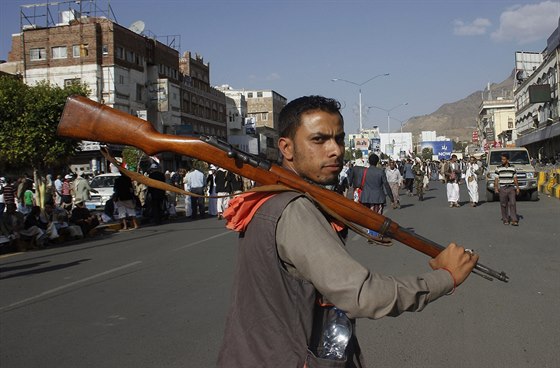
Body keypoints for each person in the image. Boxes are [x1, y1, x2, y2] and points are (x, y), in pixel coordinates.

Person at [217, 95, 478, 367]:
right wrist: (445, 278)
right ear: (286, 147)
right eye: (319, 140)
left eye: (339, 139)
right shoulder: (294, 208)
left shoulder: (278, 199)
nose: (335, 150)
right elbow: (363, 294)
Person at [494, 153, 520, 226]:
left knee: (513, 203)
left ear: (507, 160)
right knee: (503, 204)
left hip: (511, 188)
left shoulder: (513, 168)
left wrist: (517, 187)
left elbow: (515, 178)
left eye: (504, 159)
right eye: (501, 159)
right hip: (502, 188)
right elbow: (496, 179)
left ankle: (514, 219)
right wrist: (496, 188)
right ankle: (505, 219)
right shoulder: (498, 168)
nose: (502, 160)